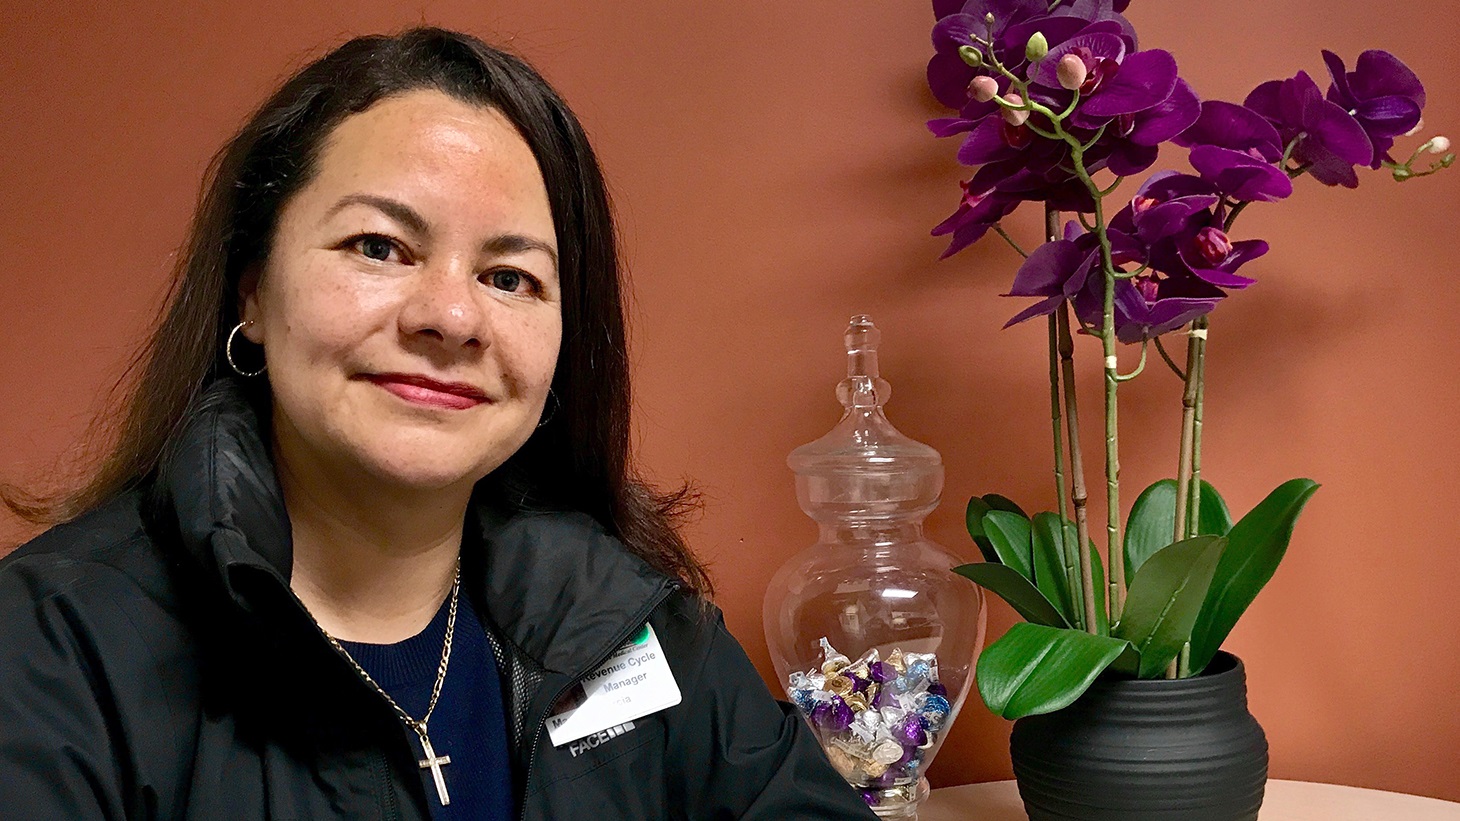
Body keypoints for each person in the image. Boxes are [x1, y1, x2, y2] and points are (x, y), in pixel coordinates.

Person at [0, 28, 875, 820]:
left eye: (510, 277)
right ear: (253, 289)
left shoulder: (620, 621)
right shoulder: (50, 647)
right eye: (379, 246)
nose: (452, 317)